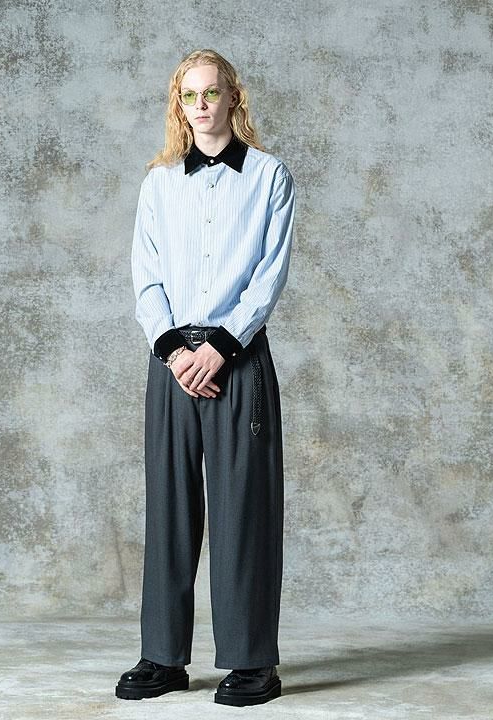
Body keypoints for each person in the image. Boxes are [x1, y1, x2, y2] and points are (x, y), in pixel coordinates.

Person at [115, 48, 296, 707]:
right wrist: (173, 352)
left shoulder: (270, 177)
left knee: (243, 511)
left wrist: (219, 348)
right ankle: (163, 657)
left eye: (211, 93)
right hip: (171, 363)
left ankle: (252, 662)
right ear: (179, 104)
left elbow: (268, 275)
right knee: (168, 509)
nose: (200, 105)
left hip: (237, 361)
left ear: (232, 98)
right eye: (189, 95)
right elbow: (147, 276)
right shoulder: (160, 183)